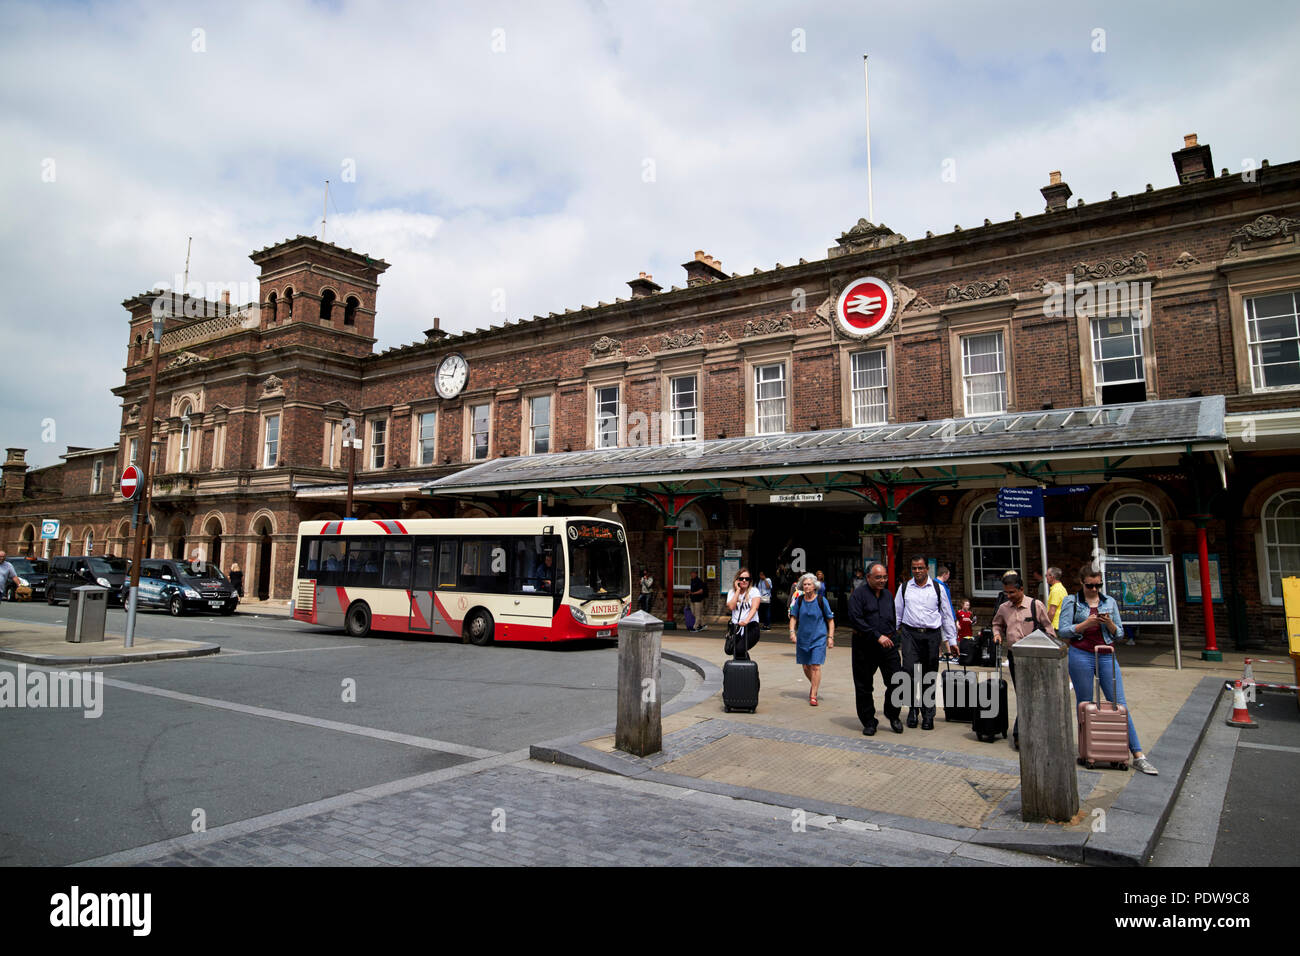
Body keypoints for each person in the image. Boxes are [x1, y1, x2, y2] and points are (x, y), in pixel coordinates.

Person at [1059, 564, 1158, 775]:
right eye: (1090, 586)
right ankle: (1088, 751)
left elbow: (1119, 634)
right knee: (1084, 705)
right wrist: (1086, 624)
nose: (1094, 590)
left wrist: (1110, 623)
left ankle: (1138, 754)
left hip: (1106, 654)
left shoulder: (1109, 602)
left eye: (1098, 585)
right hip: (1081, 655)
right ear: (1081, 583)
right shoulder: (1071, 601)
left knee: (1118, 704)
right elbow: (1063, 629)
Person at [991, 571, 1055, 750]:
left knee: (1035, 694)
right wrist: (997, 635)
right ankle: (1023, 732)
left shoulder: (1036, 605)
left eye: (1012, 592)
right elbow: (996, 624)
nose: (1009, 596)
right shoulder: (1004, 608)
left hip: (1035, 656)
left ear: (1021, 589)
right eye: (1006, 593)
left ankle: (1028, 732)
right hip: (1014, 656)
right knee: (1022, 693)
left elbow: (1049, 630)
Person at [895, 554, 958, 730]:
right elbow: (897, 613)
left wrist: (951, 641)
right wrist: (892, 634)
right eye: (914, 568)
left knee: (929, 675)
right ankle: (913, 710)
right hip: (910, 635)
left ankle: (928, 714)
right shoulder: (905, 588)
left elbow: (946, 615)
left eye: (920, 568)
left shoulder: (938, 588)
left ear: (927, 569)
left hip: (931, 636)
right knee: (908, 672)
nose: (917, 571)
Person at [848, 562, 903, 735]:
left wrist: (892, 635)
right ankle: (869, 721)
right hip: (865, 646)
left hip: (888, 645)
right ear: (868, 577)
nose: (882, 580)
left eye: (884, 577)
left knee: (898, 680)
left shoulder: (888, 595)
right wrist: (877, 635)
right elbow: (856, 619)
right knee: (864, 685)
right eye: (878, 577)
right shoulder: (858, 595)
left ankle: (893, 714)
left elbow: (892, 617)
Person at [789, 572, 834, 706]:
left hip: (818, 638)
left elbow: (830, 620)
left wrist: (830, 637)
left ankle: (813, 694)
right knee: (805, 666)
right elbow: (793, 617)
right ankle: (815, 683)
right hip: (803, 638)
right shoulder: (800, 600)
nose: (807, 586)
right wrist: (792, 632)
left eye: (809, 584)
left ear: (815, 586)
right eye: (805, 584)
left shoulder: (821, 600)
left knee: (815, 666)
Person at [726, 568, 762, 658]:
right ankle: (743, 669)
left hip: (751, 627)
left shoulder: (754, 591)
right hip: (736, 628)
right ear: (737, 580)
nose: (744, 581)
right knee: (730, 650)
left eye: (747, 579)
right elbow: (731, 607)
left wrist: (746, 620)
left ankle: (746, 670)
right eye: (741, 579)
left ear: (750, 581)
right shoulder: (732, 592)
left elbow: (755, 607)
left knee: (739, 649)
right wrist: (737, 590)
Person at [1045, 566, 1067, 631]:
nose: (1046, 577)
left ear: (1052, 576)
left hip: (1055, 626)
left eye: (1046, 575)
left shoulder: (1056, 590)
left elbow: (1052, 611)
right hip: (1061, 624)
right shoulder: (1061, 588)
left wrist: (1045, 625)